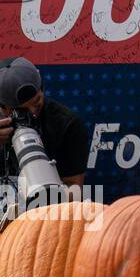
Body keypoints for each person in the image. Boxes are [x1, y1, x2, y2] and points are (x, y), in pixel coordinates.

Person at [0, 57, 89, 190]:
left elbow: (75, 188)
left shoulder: (66, 124)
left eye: (37, 102)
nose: (33, 113)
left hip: (48, 206)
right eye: (21, 112)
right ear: (2, 108)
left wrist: (45, 196)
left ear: (42, 89)